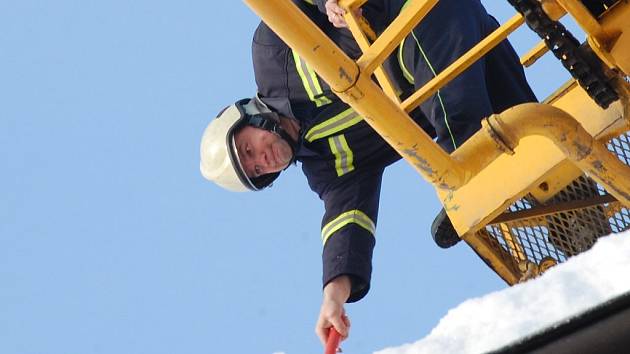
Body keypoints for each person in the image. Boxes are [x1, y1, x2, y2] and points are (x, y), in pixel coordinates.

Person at [200, 0, 536, 347]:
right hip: (466, 50)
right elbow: (347, 221)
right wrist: (334, 295)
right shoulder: (327, 164)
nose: (263, 159)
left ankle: (467, 185)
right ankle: (571, 215)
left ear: (246, 117)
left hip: (416, 17)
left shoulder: (270, 54)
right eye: (257, 171)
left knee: (466, 150)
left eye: (249, 149)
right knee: (530, 150)